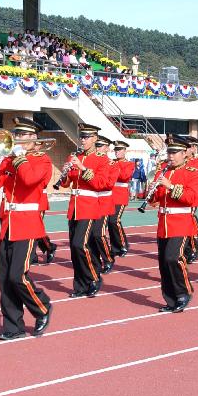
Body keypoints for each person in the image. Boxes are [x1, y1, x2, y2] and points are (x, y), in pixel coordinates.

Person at [0, 117, 53, 340]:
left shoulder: (42, 161)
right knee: (5, 279)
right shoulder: (11, 158)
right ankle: (13, 326)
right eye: (17, 135)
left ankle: (42, 306)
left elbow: (30, 179)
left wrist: (19, 158)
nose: (17, 139)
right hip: (8, 222)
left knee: (17, 276)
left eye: (22, 136)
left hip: (27, 223)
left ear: (34, 139)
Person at [145, 136, 198, 313]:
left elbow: (193, 198)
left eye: (175, 152)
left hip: (182, 222)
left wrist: (170, 187)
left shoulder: (191, 172)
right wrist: (152, 191)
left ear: (185, 153)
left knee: (173, 258)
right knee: (163, 262)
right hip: (164, 222)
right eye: (169, 151)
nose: (171, 156)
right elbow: (154, 200)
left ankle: (184, 293)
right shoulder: (163, 171)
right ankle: (170, 298)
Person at [59, 123, 110, 298]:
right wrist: (65, 174)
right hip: (74, 205)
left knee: (79, 244)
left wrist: (82, 168)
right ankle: (80, 285)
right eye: (82, 137)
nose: (83, 140)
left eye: (87, 137)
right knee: (74, 250)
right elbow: (66, 183)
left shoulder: (102, 159)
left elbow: (100, 184)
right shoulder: (73, 156)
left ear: (95, 138)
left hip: (89, 205)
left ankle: (94, 277)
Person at [91, 136, 116, 273]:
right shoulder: (92, 162)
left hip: (104, 201)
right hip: (90, 202)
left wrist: (93, 179)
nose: (98, 148)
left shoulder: (112, 164)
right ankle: (95, 262)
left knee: (98, 234)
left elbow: (109, 184)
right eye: (97, 145)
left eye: (100, 146)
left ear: (107, 148)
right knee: (89, 236)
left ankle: (108, 258)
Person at [108, 141, 134, 257]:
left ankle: (123, 245)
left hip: (120, 196)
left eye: (119, 150)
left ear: (124, 151)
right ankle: (115, 247)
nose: (117, 152)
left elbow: (124, 176)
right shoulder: (112, 163)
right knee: (109, 222)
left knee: (115, 221)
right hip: (110, 195)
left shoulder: (129, 164)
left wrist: (114, 167)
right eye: (115, 150)